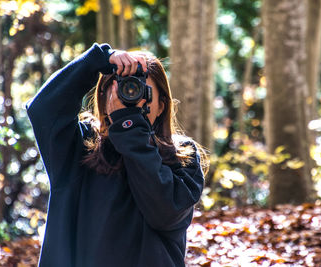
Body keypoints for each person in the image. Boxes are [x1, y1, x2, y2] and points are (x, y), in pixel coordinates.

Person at [26, 43, 207, 267]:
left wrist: (130, 130)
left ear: (161, 106)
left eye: (141, 91)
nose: (130, 98)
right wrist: (98, 60)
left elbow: (166, 213)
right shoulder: (79, 146)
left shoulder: (182, 156)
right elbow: (43, 109)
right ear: (103, 99)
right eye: (122, 88)